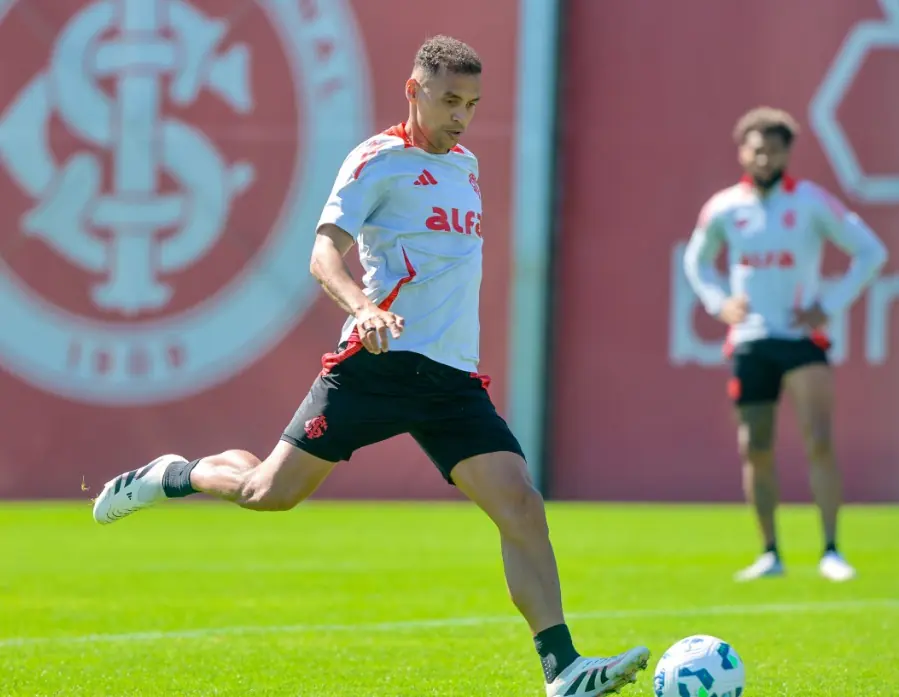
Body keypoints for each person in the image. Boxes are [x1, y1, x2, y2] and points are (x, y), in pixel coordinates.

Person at [91, 35, 649, 696]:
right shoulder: (375, 160)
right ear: (414, 90)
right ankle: (173, 474)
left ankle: (562, 670)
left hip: (450, 380)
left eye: (471, 104)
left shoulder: (464, 164)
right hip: (377, 364)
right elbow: (323, 254)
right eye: (449, 100)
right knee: (268, 492)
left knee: (521, 505)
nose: (460, 116)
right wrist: (363, 308)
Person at [683, 106, 888, 583]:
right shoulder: (724, 207)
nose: (764, 158)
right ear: (742, 152)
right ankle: (769, 552)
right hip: (751, 340)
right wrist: (718, 302)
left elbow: (870, 251)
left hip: (801, 339)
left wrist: (829, 303)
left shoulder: (811, 202)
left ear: (787, 153)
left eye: (773, 150)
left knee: (819, 439)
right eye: (756, 149)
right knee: (755, 446)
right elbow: (697, 260)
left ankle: (831, 550)